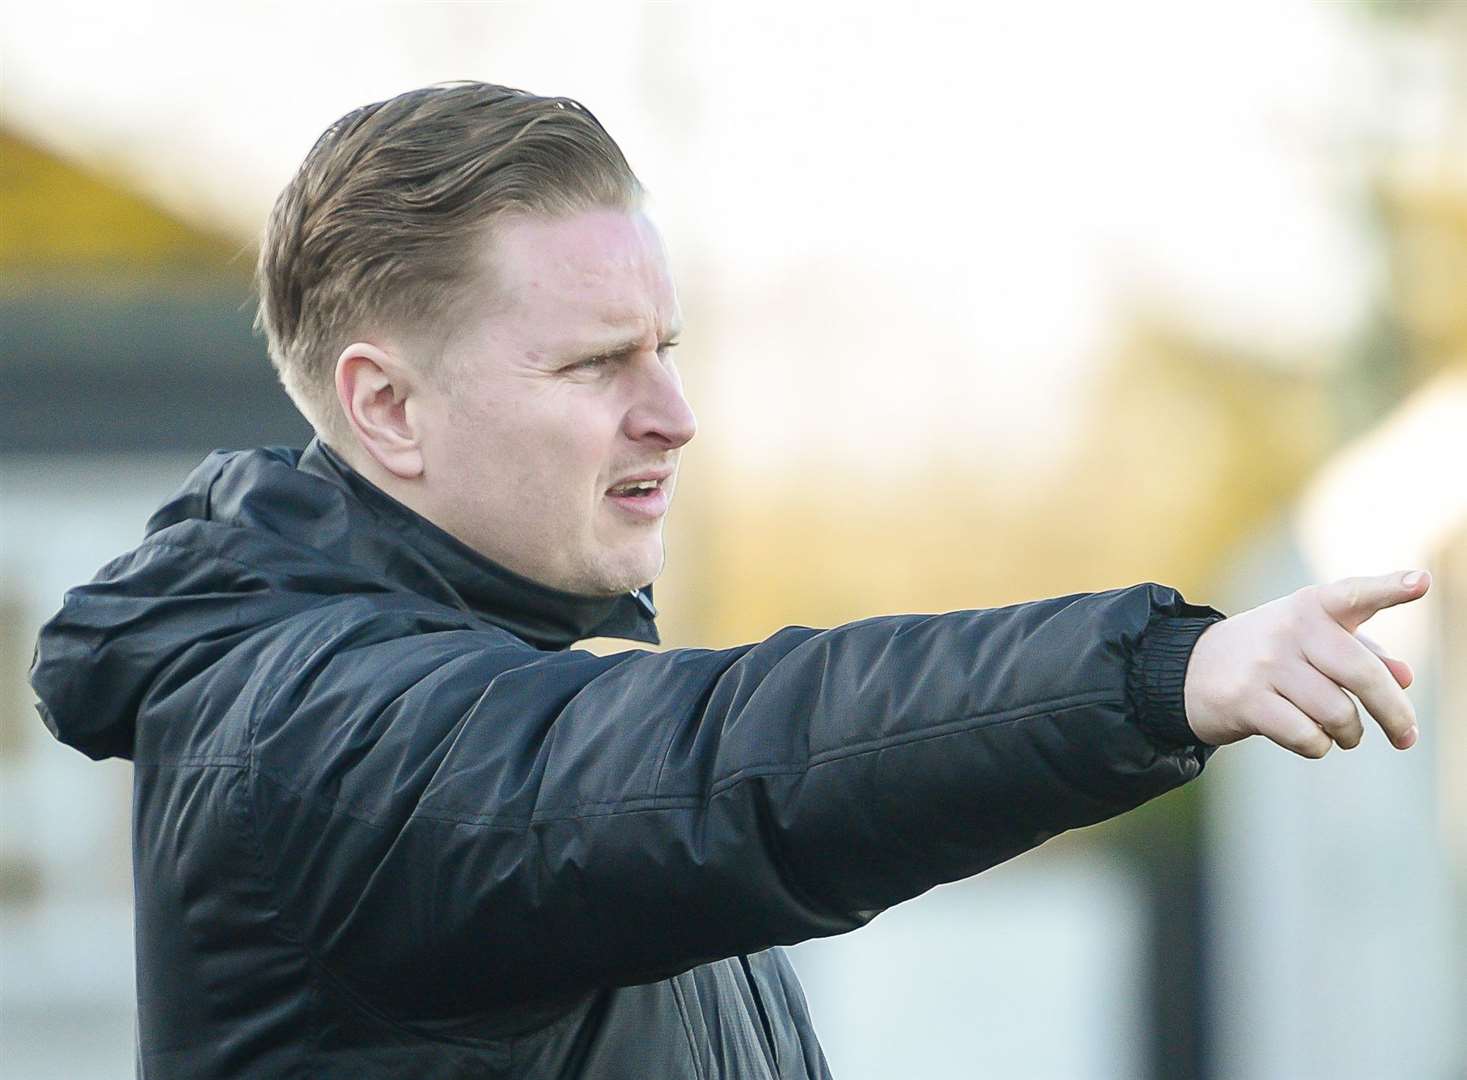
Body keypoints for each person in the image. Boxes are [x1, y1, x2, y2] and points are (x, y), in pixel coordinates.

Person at [30, 82, 1428, 1080]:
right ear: (386, 407)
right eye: (593, 364)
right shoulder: (320, 738)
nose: (673, 413)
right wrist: (1152, 674)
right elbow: (730, 760)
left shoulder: (497, 680)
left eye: (666, 346)